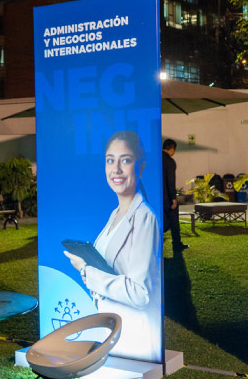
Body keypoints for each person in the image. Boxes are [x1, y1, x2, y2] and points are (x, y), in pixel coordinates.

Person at [63, 130, 162, 362]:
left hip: (135, 335)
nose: (116, 169)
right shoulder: (116, 214)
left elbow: (140, 294)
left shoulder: (145, 218)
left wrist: (86, 271)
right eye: (110, 160)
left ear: (141, 166)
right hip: (112, 330)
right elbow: (110, 271)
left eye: (125, 160)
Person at [162, 138, 187, 251]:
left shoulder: (155, 159)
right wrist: (173, 198)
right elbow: (170, 181)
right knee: (173, 221)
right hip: (167, 198)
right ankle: (177, 244)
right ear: (172, 149)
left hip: (156, 197)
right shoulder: (170, 162)